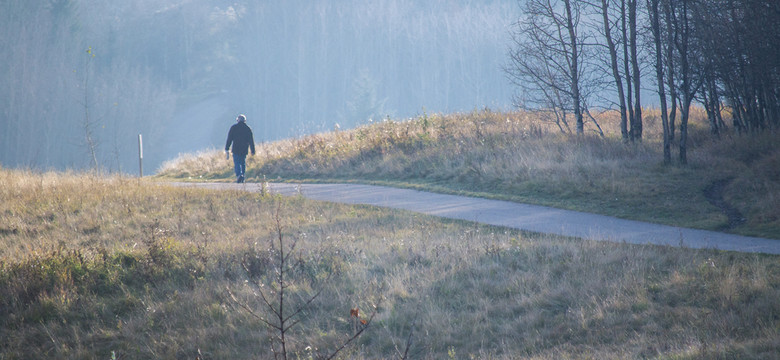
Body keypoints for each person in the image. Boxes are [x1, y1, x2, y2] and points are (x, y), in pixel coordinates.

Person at [225, 114, 255, 183]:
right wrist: (252, 151)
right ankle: (243, 176)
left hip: (236, 148)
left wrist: (227, 148)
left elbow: (229, 139)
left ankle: (239, 175)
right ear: (245, 120)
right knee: (242, 162)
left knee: (237, 162)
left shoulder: (234, 127)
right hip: (244, 149)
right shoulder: (247, 128)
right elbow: (251, 141)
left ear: (237, 120)